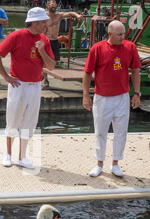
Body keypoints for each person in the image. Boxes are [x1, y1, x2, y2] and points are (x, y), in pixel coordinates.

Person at [0, 7, 56, 169]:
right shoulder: (17, 36)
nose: (45, 25)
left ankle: (22, 156)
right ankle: (8, 154)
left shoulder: (44, 40)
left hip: (35, 85)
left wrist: (42, 50)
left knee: (29, 121)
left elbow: (51, 66)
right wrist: (6, 77)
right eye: (43, 22)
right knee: (13, 118)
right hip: (18, 84)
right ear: (34, 22)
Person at [82, 20, 141, 178]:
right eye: (119, 34)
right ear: (110, 34)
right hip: (102, 97)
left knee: (121, 132)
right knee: (100, 132)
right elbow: (87, 73)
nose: (123, 37)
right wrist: (86, 95)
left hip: (122, 97)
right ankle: (99, 163)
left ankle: (115, 163)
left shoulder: (130, 47)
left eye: (123, 34)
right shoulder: (97, 48)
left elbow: (135, 71)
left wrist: (137, 93)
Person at [43, 0, 82, 87]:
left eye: (54, 4)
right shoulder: (44, 17)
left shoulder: (59, 16)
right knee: (44, 61)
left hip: (55, 40)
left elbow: (70, 13)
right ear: (47, 6)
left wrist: (77, 15)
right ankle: (46, 79)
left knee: (55, 61)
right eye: (50, 4)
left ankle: (43, 74)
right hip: (46, 40)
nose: (53, 5)